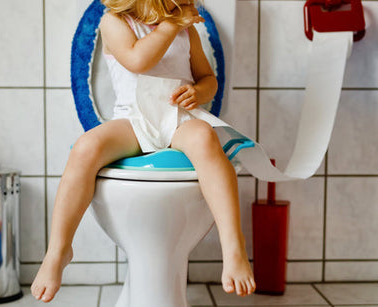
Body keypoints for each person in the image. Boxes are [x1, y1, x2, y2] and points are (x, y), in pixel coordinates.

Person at [31, 0, 256, 302]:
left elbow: (208, 79)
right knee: (86, 148)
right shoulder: (113, 22)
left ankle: (233, 247)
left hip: (178, 119)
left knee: (204, 138)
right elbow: (138, 60)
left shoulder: (187, 33)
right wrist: (173, 24)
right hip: (133, 120)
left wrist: (198, 92)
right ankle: (58, 251)